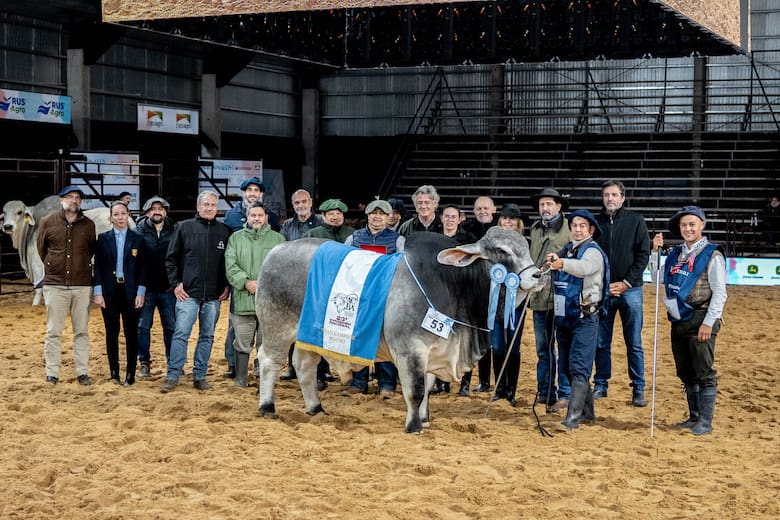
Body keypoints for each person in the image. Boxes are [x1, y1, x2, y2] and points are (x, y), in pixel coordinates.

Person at [651, 206, 727, 436]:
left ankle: (705, 421)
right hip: (679, 318)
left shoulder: (712, 255)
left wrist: (708, 322)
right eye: (684, 225)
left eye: (692, 224)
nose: (688, 228)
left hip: (701, 317)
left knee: (703, 370)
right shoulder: (674, 254)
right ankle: (694, 417)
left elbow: (720, 292)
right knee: (686, 370)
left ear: (702, 225)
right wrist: (655, 252)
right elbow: (656, 278)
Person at [160, 190, 231, 393]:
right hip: (188, 294)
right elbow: (171, 259)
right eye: (206, 204)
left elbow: (226, 263)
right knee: (181, 334)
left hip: (213, 296)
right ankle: (173, 375)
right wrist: (176, 284)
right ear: (198, 206)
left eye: (213, 205)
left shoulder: (224, 231)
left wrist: (225, 285)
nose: (209, 208)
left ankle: (200, 376)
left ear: (217, 208)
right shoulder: (183, 228)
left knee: (207, 336)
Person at [546, 209, 609, 430]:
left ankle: (572, 419)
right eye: (574, 225)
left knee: (579, 365)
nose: (578, 229)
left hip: (585, 315)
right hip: (566, 315)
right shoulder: (567, 250)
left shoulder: (593, 252)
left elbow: (585, 269)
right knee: (569, 365)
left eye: (582, 226)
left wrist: (561, 263)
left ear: (591, 229)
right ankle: (588, 413)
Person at [594, 180, 651, 407]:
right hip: (603, 290)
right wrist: (604, 283)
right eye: (606, 195)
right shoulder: (595, 223)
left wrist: (626, 283)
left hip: (631, 290)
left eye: (614, 195)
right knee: (601, 341)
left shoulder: (636, 221)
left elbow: (643, 254)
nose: (610, 198)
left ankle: (638, 388)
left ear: (622, 198)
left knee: (634, 342)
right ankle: (600, 384)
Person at [36, 185, 97, 385]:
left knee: (81, 331)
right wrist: (54, 267)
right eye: (70, 197)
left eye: (78, 198)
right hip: (55, 285)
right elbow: (42, 249)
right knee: (53, 331)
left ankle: (82, 372)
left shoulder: (89, 225)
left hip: (81, 285)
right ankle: (51, 373)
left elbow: (91, 250)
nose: (74, 201)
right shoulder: (47, 222)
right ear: (61, 200)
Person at [344, 199, 405, 398]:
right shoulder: (354, 238)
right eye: (373, 213)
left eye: (382, 213)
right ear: (367, 216)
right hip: (359, 297)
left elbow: (402, 269)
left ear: (389, 217)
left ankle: (386, 384)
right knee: (359, 338)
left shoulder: (398, 240)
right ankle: (358, 381)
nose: (377, 217)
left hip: (384, 297)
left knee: (384, 340)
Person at [222, 176, 279, 379]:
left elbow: (279, 267)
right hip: (242, 296)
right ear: (247, 216)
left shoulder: (277, 238)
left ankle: (260, 369)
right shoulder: (233, 228)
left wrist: (263, 285)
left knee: (265, 337)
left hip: (267, 298)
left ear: (266, 217)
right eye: (252, 215)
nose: (256, 218)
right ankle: (235, 369)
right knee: (237, 333)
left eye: (260, 215)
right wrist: (245, 282)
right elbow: (230, 262)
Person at [303, 198, 355, 387]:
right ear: (323, 216)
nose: (335, 217)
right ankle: (320, 373)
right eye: (331, 214)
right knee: (319, 330)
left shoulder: (352, 235)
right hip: (321, 290)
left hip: (345, 292)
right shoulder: (313, 235)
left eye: (339, 214)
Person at [93, 201, 146, 386]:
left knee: (131, 333)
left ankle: (130, 374)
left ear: (128, 215)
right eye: (116, 214)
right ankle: (114, 372)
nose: (120, 217)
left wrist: (141, 291)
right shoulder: (102, 238)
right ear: (110, 217)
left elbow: (142, 269)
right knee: (111, 333)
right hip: (109, 292)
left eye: (123, 213)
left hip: (131, 292)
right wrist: (98, 292)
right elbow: (97, 266)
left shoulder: (138, 239)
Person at [528, 188, 571, 410]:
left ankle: (565, 393)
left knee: (563, 346)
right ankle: (545, 392)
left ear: (559, 206)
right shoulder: (535, 229)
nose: (545, 208)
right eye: (542, 204)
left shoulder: (570, 229)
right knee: (543, 348)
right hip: (539, 298)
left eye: (549, 204)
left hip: (562, 296)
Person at [457, 195, 497, 396]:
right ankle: (464, 383)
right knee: (468, 337)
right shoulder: (465, 231)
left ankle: (484, 381)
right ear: (474, 211)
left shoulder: (499, 231)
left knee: (487, 338)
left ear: (493, 209)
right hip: (469, 289)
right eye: (479, 208)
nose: (482, 211)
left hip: (493, 290)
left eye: (486, 208)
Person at [135, 196, 177, 378]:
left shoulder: (175, 230)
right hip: (146, 289)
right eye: (153, 209)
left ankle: (173, 362)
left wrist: (176, 283)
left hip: (168, 289)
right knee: (143, 327)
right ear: (147, 212)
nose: (157, 211)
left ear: (165, 212)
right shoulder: (138, 231)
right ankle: (144, 362)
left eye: (160, 208)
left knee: (171, 327)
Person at [489, 204, 526, 407]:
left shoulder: (524, 245)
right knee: (497, 346)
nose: (508, 222)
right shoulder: (492, 244)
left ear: (518, 222)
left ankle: (512, 390)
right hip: (496, 301)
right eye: (504, 218)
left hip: (517, 301)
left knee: (513, 347)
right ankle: (499, 388)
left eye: (512, 219)